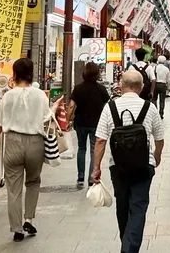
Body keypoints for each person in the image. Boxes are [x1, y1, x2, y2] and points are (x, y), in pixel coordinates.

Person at [92, 70, 164, 253]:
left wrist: (96, 168)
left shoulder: (110, 107)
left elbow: (100, 139)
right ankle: (129, 247)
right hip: (143, 165)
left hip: (118, 166)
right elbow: (159, 137)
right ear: (141, 88)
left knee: (122, 206)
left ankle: (127, 245)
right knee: (138, 207)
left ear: (121, 86)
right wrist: (157, 156)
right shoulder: (149, 108)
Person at [0, 58, 51, 241]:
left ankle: (17, 228)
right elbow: (47, 120)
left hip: (13, 141)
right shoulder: (40, 95)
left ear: (14, 74)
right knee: (33, 182)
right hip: (35, 143)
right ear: (32, 73)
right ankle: (28, 218)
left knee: (13, 188)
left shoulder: (8, 96)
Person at [67, 61, 110, 189]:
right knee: (93, 150)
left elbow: (71, 106)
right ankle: (92, 177)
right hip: (96, 124)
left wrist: (68, 120)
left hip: (80, 123)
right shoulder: (101, 89)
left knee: (81, 148)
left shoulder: (78, 88)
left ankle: (80, 176)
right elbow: (106, 105)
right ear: (97, 74)